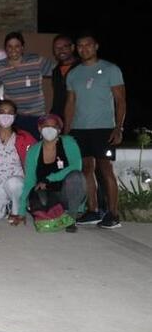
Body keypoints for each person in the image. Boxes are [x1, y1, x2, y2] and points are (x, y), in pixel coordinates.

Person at [65, 32, 126, 229]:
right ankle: (92, 211)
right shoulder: (73, 74)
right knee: (86, 169)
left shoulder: (110, 69)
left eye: (88, 45)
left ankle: (113, 213)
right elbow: (70, 104)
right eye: (80, 45)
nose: (84, 49)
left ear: (96, 46)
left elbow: (120, 100)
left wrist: (119, 127)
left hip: (104, 128)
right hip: (80, 129)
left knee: (105, 168)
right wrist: (66, 131)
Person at [20, 114, 86, 233]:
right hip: (48, 195)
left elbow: (77, 166)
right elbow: (29, 181)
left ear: (59, 130)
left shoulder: (69, 143)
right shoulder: (33, 151)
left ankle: (72, 217)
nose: (49, 129)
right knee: (37, 195)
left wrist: (49, 179)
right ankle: (53, 215)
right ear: (39, 128)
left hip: (66, 194)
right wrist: (20, 211)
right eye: (45, 126)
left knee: (76, 176)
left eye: (53, 126)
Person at [0, 100, 36, 224]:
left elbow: (38, 158)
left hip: (17, 183)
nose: (6, 116)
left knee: (13, 183)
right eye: (2, 112)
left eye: (10, 113)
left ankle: (17, 210)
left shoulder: (24, 137)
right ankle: (6, 206)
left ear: (15, 116)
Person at [0, 31, 55, 138]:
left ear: (22, 47)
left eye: (17, 46)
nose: (13, 50)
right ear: (5, 48)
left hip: (36, 117)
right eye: (10, 46)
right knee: (15, 150)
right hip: (14, 117)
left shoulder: (35, 60)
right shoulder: (1, 66)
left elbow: (57, 72)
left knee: (35, 149)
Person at [50, 34, 79, 120]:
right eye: (57, 48)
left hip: (80, 118)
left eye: (64, 46)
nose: (60, 50)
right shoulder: (56, 71)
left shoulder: (82, 67)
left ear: (72, 47)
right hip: (60, 118)